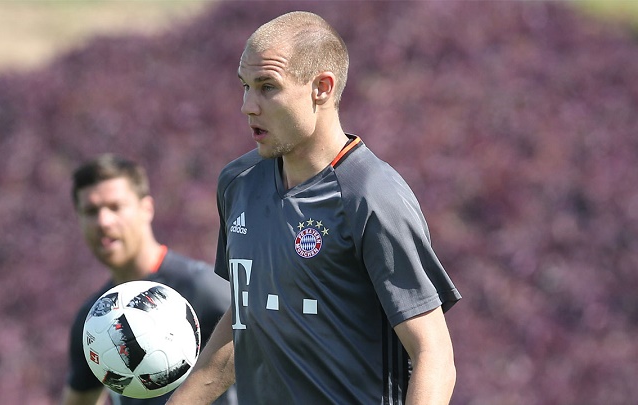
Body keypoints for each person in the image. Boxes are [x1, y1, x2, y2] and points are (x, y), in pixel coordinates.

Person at [167, 11, 461, 405]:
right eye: (245, 86)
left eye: (267, 87)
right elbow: (248, 317)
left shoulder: (372, 196)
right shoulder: (237, 183)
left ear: (321, 88)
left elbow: (433, 354)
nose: (248, 106)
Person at [61, 154, 237, 405]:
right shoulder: (92, 319)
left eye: (115, 207)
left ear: (147, 208)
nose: (103, 221)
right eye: (91, 211)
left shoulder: (203, 289)